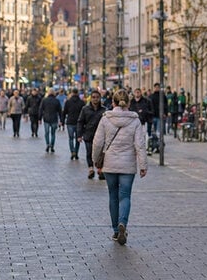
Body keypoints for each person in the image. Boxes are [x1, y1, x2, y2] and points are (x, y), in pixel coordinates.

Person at [93, 88, 147, 245]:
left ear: (113, 102)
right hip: (128, 165)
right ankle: (123, 222)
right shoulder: (135, 121)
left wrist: (95, 159)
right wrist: (143, 165)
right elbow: (140, 145)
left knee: (113, 196)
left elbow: (97, 142)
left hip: (109, 164)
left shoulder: (106, 119)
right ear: (129, 103)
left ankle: (116, 230)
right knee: (125, 196)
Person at [78, 90, 106, 180]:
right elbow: (80, 122)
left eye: (97, 97)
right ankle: (91, 169)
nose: (95, 99)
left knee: (100, 153)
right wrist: (79, 135)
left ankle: (100, 169)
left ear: (100, 98)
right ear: (91, 98)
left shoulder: (104, 110)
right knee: (89, 152)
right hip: (88, 134)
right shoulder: (85, 109)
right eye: (93, 97)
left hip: (101, 135)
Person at [63, 88, 85, 160]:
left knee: (71, 138)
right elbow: (84, 113)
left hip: (70, 122)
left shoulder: (68, 102)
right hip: (79, 122)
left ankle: (72, 151)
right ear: (78, 93)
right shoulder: (82, 102)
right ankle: (76, 152)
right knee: (77, 139)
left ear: (72, 93)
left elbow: (64, 112)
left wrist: (62, 121)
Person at [39, 88, 62, 153]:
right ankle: (52, 145)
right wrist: (61, 120)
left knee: (46, 133)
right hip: (54, 118)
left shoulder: (44, 100)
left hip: (46, 118)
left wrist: (39, 118)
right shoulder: (56, 100)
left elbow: (41, 109)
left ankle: (47, 144)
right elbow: (60, 111)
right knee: (53, 133)